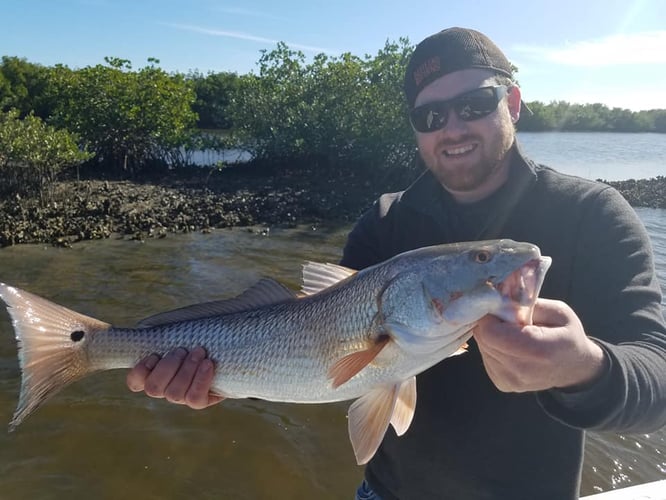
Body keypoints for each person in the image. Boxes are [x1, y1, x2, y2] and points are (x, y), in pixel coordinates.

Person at [126, 27, 666, 499]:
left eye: (476, 103)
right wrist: (218, 380)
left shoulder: (592, 216)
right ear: (416, 128)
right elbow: (317, 347)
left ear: (514, 102)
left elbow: (657, 376)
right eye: (430, 115)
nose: (452, 127)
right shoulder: (384, 223)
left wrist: (585, 369)